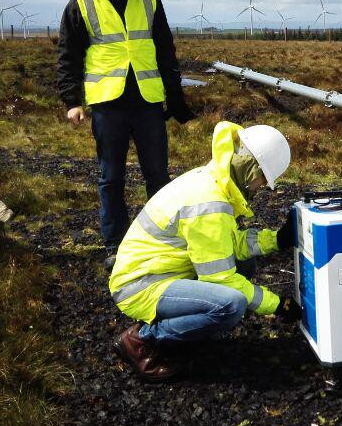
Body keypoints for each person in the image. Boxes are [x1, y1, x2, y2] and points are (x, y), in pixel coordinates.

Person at [110, 120, 300, 381]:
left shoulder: (213, 182)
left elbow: (227, 245)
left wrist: (277, 240)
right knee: (231, 305)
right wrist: (277, 305)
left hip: (158, 271)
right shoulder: (209, 202)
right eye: (263, 181)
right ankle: (142, 340)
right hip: (141, 284)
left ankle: (186, 329)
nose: (260, 188)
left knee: (245, 266)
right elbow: (220, 277)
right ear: (251, 169)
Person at [56, 0, 194, 263]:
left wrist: (175, 97)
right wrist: (72, 101)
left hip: (148, 103)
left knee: (158, 175)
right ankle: (116, 245)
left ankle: (161, 239)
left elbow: (165, 51)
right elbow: (68, 55)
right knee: (111, 177)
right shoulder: (80, 4)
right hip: (107, 105)